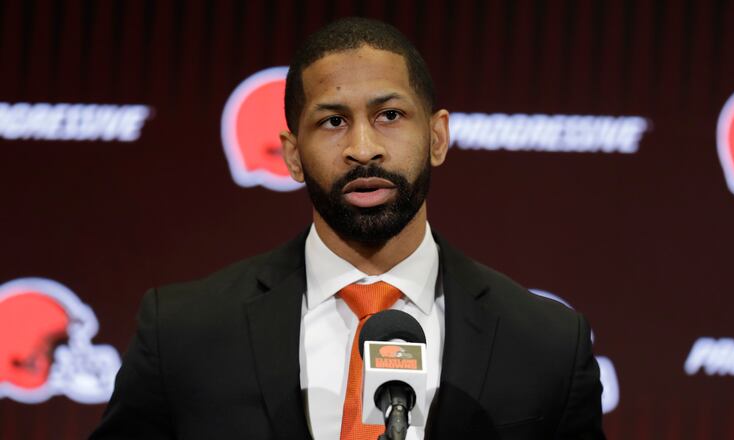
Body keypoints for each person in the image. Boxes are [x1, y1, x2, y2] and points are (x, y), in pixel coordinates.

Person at [91, 17, 604, 440]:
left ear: (438, 137)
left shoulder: (547, 344)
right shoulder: (184, 332)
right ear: (293, 155)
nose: (363, 147)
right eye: (332, 121)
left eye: (390, 115)